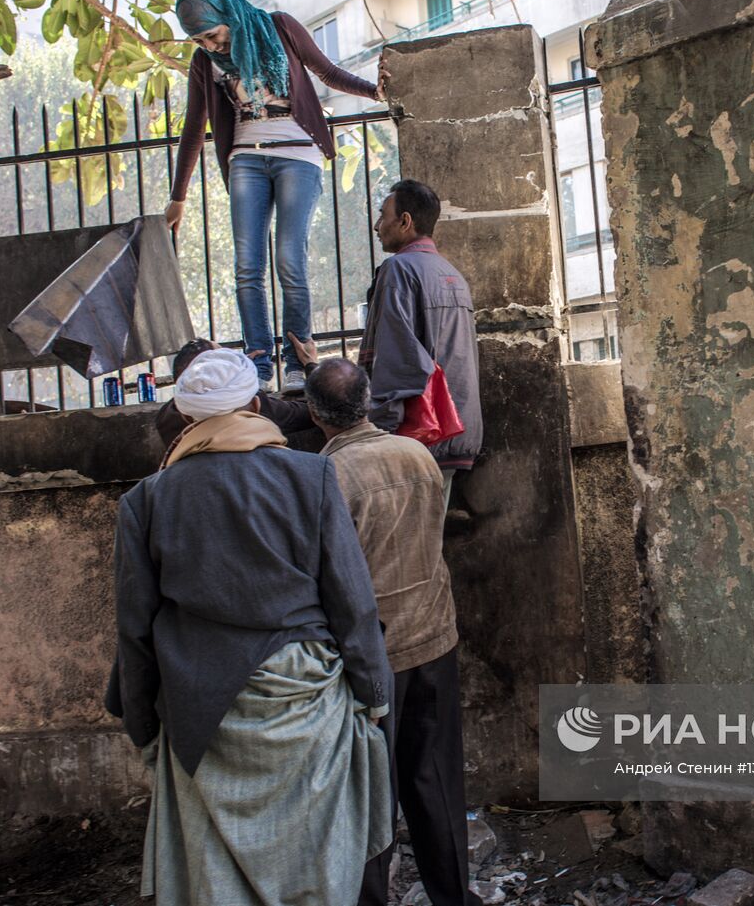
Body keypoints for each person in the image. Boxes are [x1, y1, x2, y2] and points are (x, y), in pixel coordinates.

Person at [107, 348, 393, 906]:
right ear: (256, 404)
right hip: (306, 697)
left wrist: (142, 725)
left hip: (198, 705)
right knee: (316, 853)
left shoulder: (145, 501)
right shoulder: (310, 475)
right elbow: (351, 600)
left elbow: (134, 631)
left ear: (186, 419)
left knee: (216, 874)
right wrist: (372, 692)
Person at [302, 357, 477, 906]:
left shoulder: (324, 477)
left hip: (372, 658)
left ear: (312, 413)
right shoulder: (417, 455)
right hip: (434, 636)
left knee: (369, 798)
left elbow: (327, 577)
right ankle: (454, 895)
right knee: (436, 782)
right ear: (370, 398)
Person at [166, 0, 388, 392]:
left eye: (212, 35)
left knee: (290, 258)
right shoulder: (203, 62)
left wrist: (374, 92)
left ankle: (297, 360)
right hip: (245, 159)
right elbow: (194, 130)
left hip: (297, 155)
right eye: (199, 40)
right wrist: (178, 197)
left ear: (229, 16)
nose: (209, 46)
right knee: (247, 266)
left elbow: (327, 71)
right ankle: (259, 365)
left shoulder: (280, 28)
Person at [361, 179, 482, 502]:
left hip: (419, 434)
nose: (377, 226)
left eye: (382, 215)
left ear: (405, 221)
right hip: (458, 431)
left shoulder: (398, 270)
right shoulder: (453, 274)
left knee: (406, 547)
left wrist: (380, 429)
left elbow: (397, 359)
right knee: (429, 544)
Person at [154, 335, 319, 447]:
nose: (229, 361)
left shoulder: (166, 416)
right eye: (224, 359)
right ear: (255, 406)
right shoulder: (251, 404)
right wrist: (311, 365)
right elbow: (313, 411)